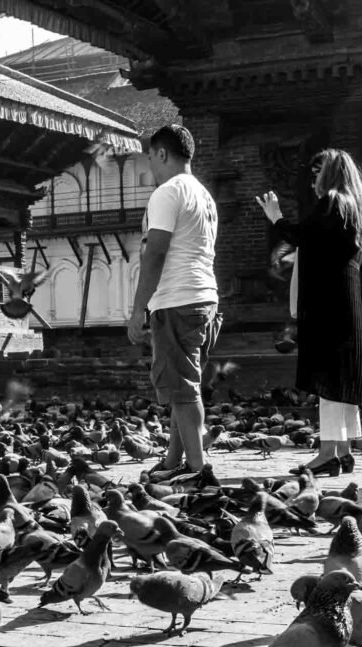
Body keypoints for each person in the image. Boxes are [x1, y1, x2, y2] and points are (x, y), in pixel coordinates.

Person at [256, 149, 362, 477]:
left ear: (332, 173)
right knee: (341, 375)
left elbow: (302, 235)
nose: (314, 178)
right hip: (348, 299)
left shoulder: (333, 201)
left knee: (327, 375)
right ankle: (343, 449)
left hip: (328, 303)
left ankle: (327, 454)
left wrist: (275, 217)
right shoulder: (356, 207)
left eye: (318, 171)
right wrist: (342, 264)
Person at [128, 124, 222, 474]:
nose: (150, 164)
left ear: (162, 154)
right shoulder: (204, 196)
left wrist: (139, 308)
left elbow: (155, 253)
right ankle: (174, 460)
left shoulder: (167, 193)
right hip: (204, 298)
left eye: (150, 157)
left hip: (177, 300)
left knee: (182, 389)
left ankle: (199, 470)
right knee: (186, 384)